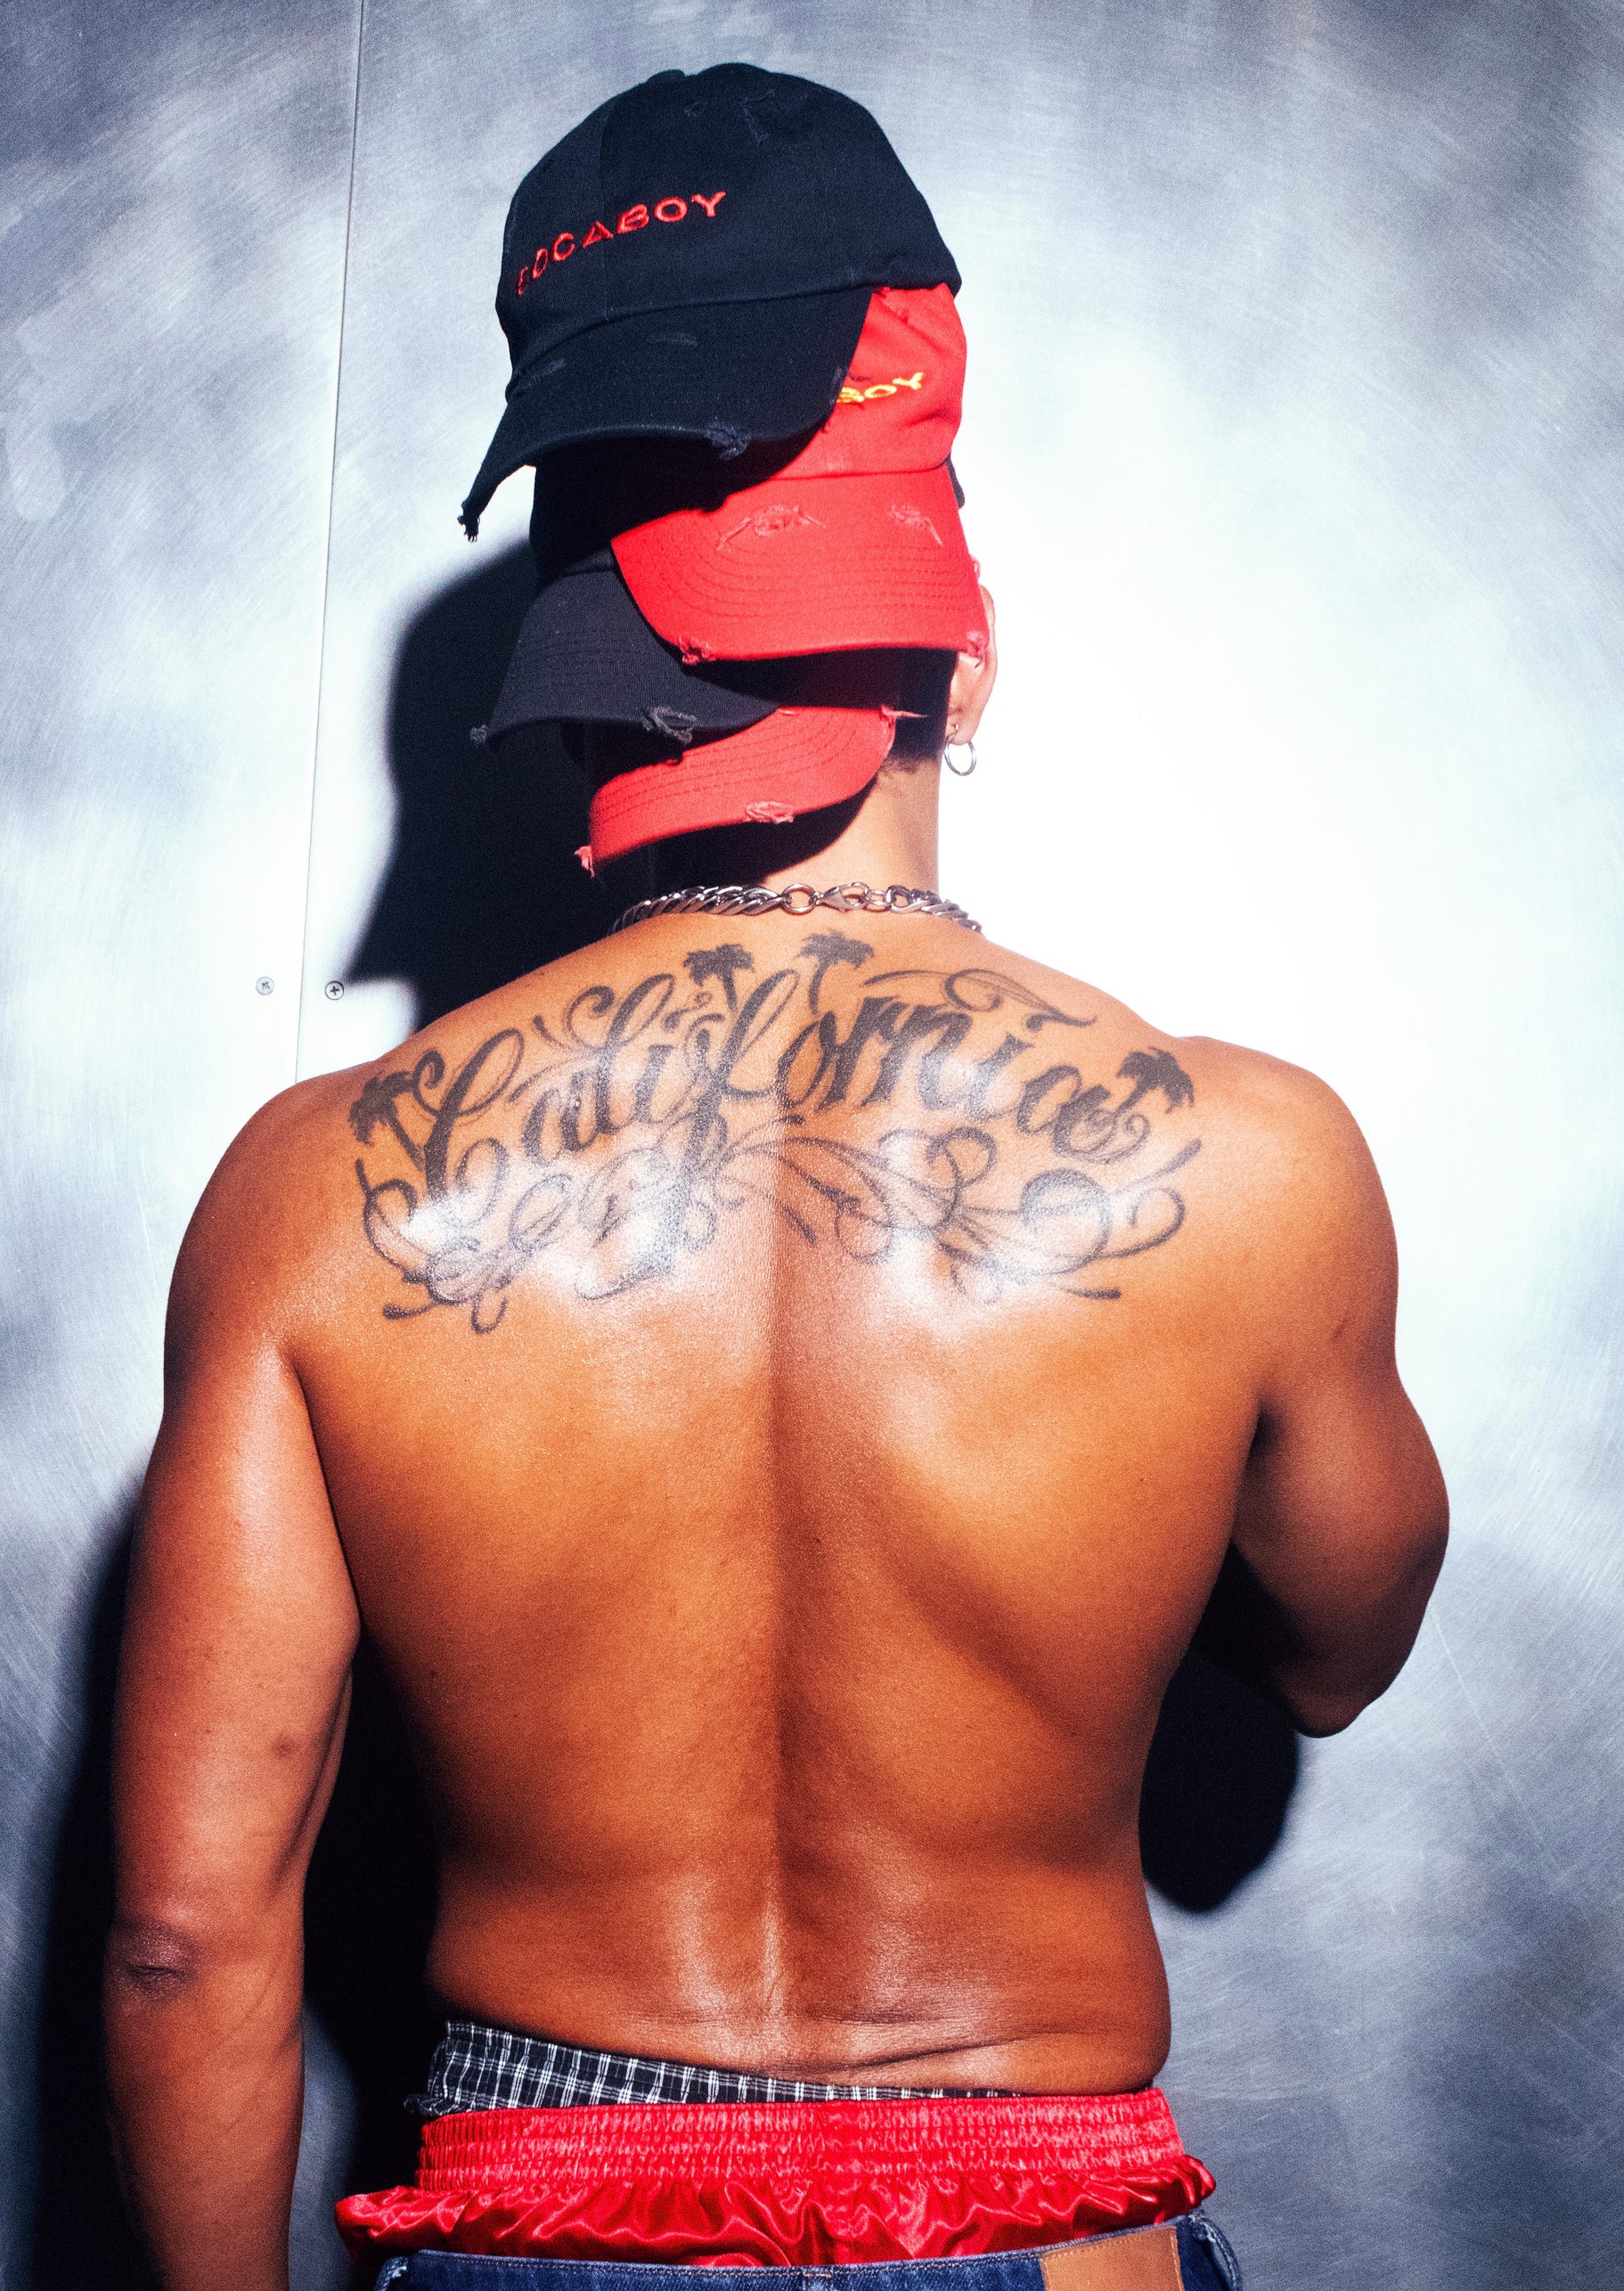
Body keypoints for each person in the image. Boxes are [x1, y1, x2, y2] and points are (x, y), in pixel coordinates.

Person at [103, 63, 1447, 2291]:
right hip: (1047, 2224)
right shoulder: (1247, 1164)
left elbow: (181, 1936)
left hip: (542, 2220)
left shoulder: (320, 1194)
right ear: (963, 667)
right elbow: (1334, 1649)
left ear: (583, 704)